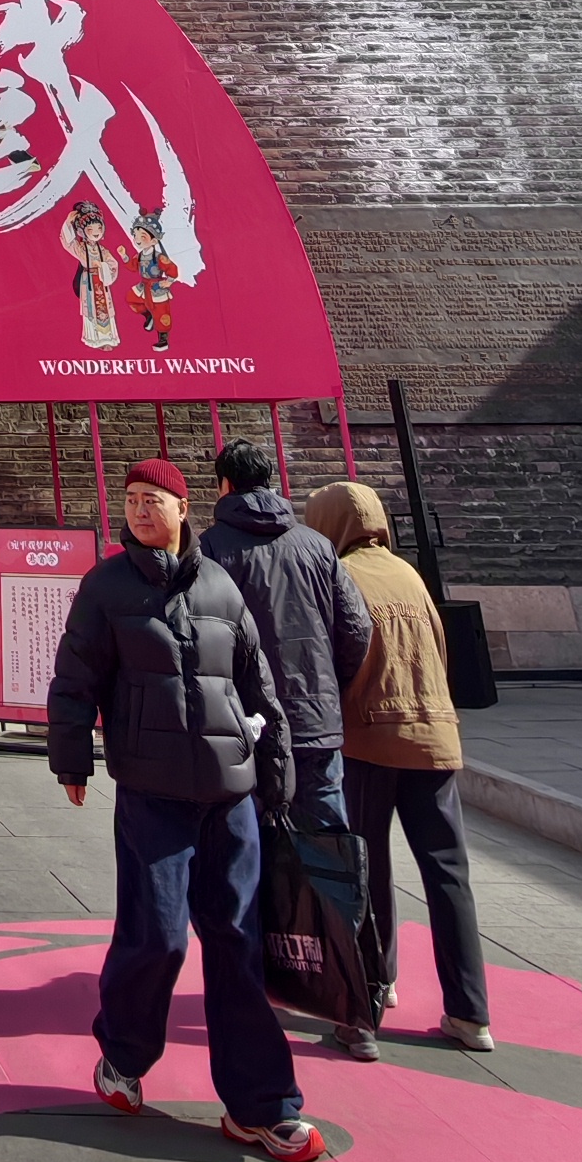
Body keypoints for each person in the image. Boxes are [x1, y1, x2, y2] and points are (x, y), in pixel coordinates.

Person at [49, 454, 321, 1162]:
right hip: (153, 792)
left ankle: (263, 1104)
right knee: (159, 938)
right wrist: (71, 756)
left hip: (229, 794)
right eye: (132, 500)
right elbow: (75, 675)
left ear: (182, 508)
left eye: (154, 499)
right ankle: (123, 1054)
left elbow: (257, 684)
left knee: (237, 943)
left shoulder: (221, 585)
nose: (141, 510)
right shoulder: (106, 586)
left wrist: (277, 768)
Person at [303, 477, 492, 1051]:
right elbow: (439, 649)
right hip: (433, 736)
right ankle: (470, 1013)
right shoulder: (409, 575)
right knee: (448, 873)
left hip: (369, 739)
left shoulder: (339, 574)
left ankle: (367, 1004)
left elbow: (334, 657)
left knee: (365, 870)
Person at [200, 440, 377, 1053]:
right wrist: (326, 688)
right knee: (331, 859)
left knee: (242, 861)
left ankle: (254, 994)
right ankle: (354, 1011)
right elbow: (356, 629)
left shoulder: (212, 550)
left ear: (224, 485)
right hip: (314, 727)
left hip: (245, 729)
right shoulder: (316, 546)